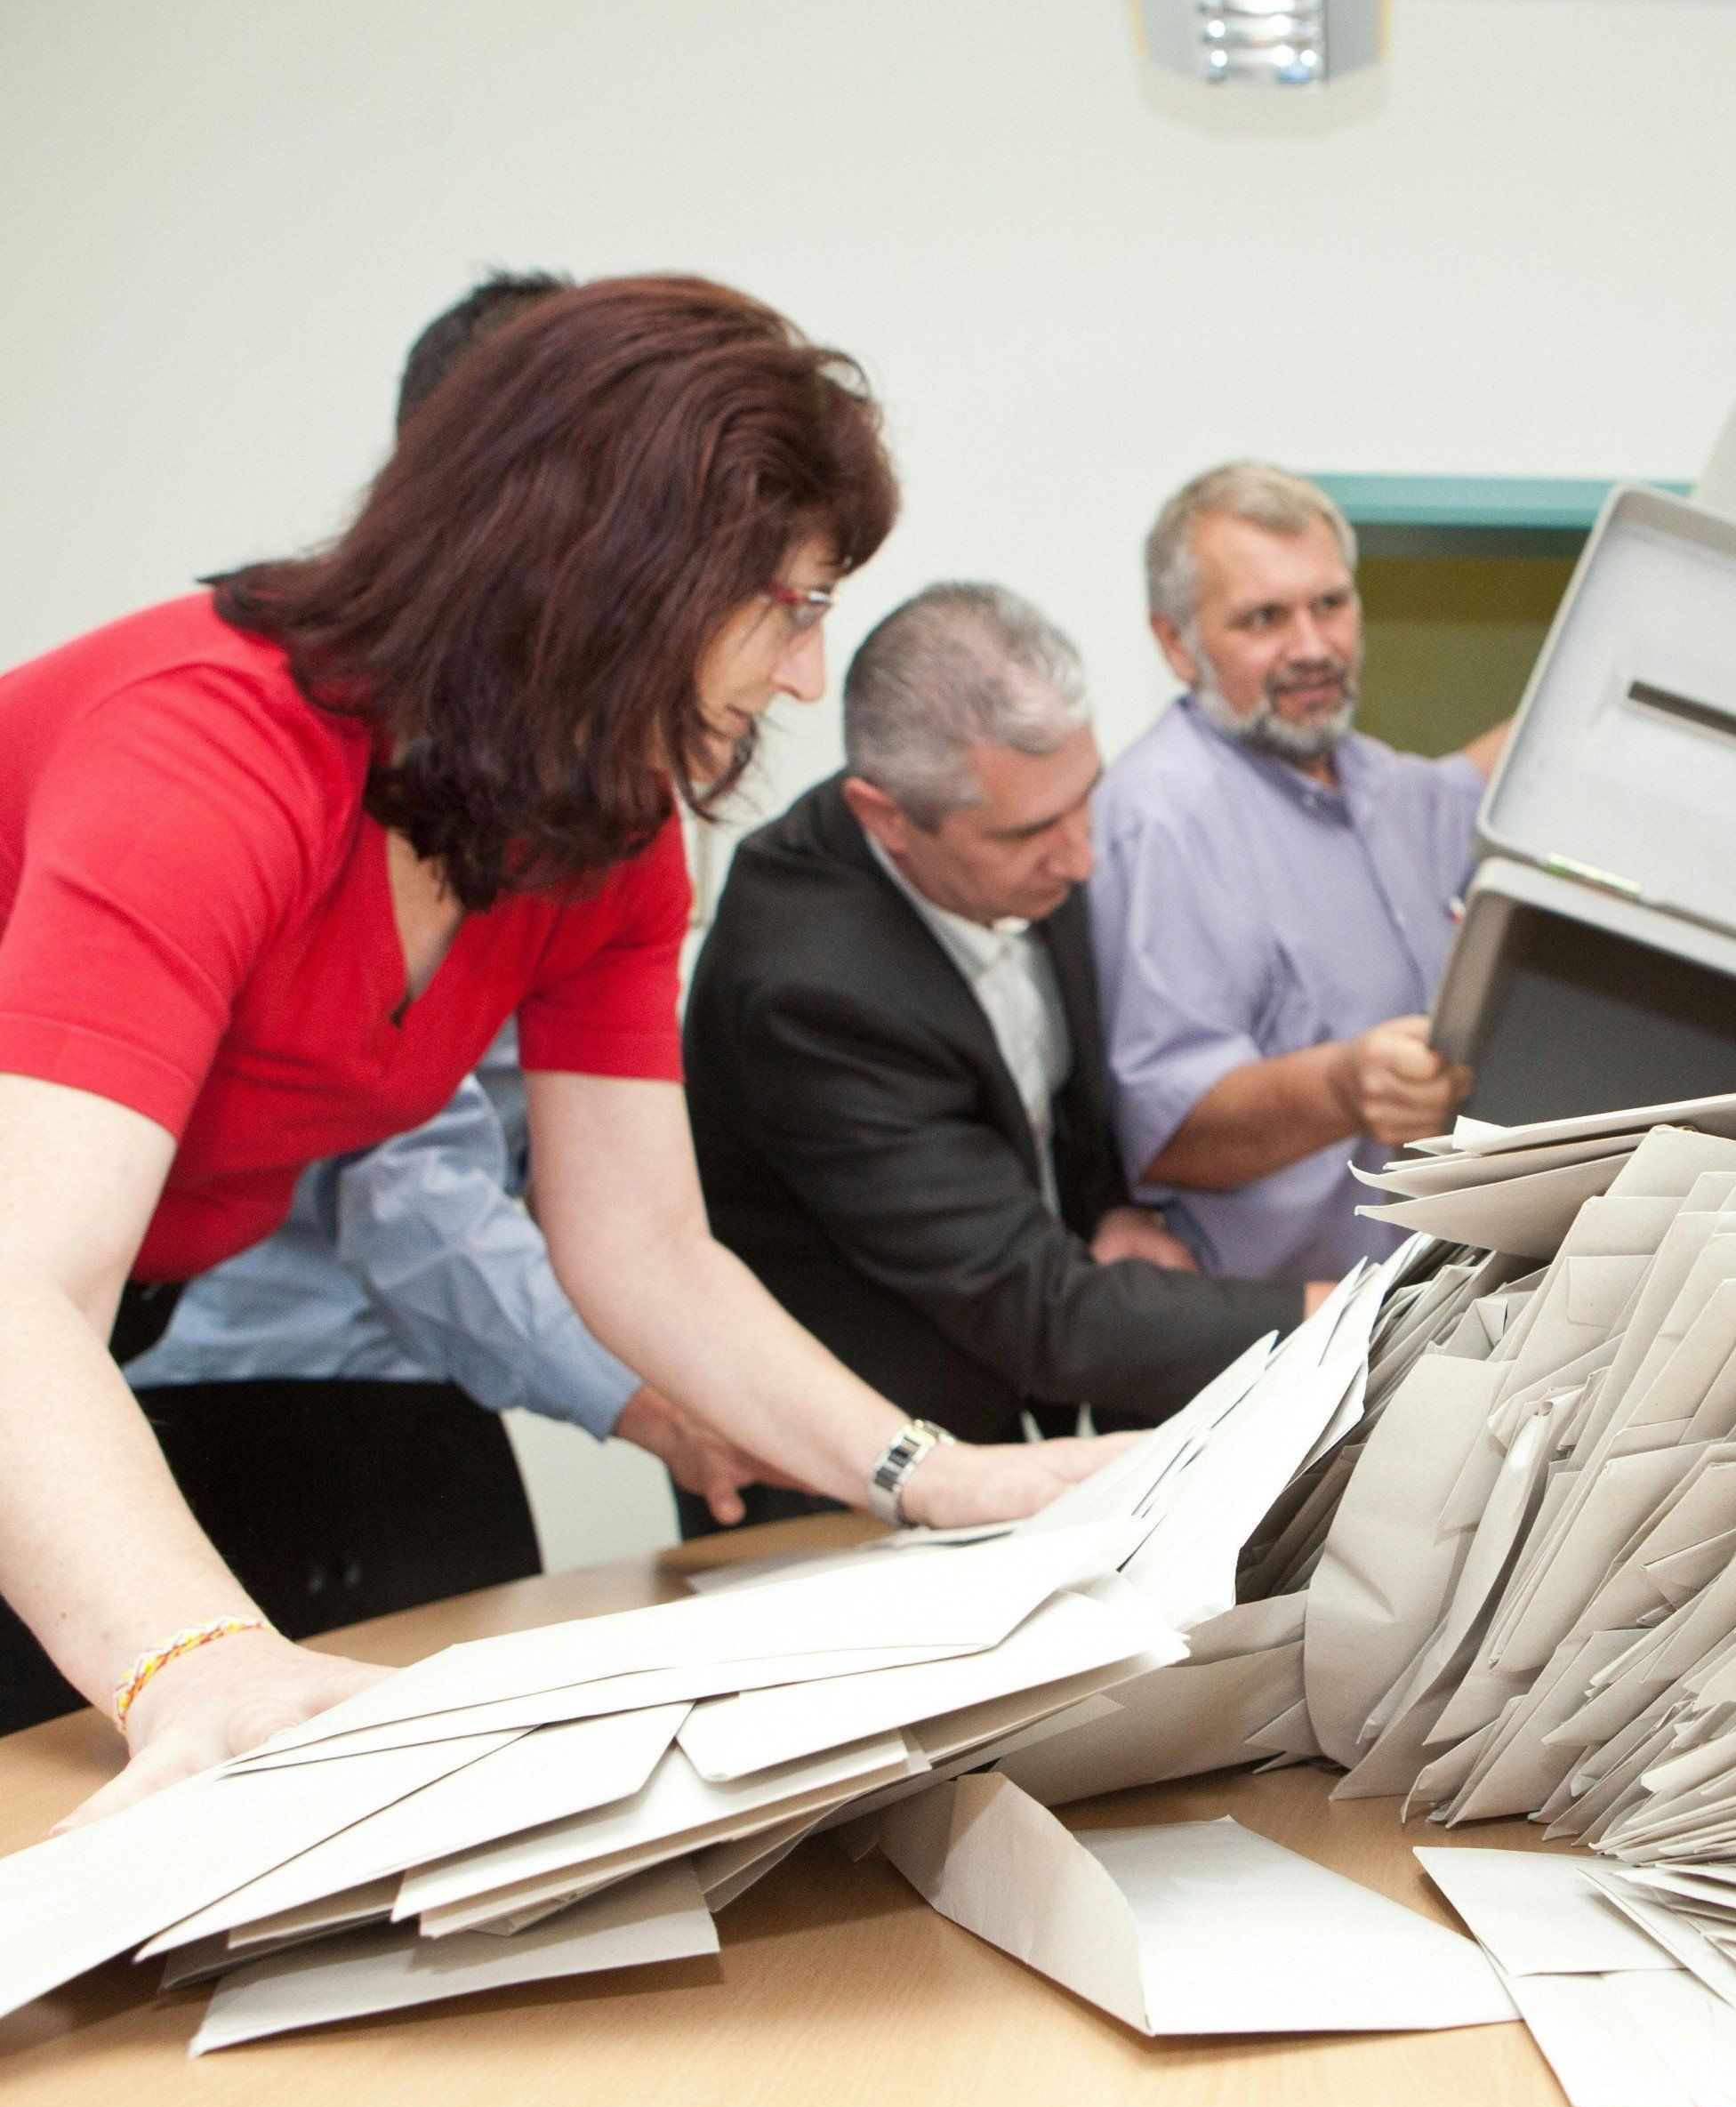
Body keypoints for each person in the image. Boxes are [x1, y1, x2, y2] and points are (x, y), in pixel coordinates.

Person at [0, 275, 1123, 1813]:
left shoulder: (603, 834)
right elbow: (17, 1283)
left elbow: (646, 1248)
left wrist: (935, 1474)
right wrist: (194, 1653)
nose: (807, 676)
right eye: (793, 606)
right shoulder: (206, 752)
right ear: (617, 574)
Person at [103, 277, 770, 1730]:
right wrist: (640, 1392)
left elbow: (638, 1229)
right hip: (214, 1411)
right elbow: (410, 1195)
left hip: (411, 1397)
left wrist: (881, 1449)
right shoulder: (252, 752)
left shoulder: (584, 800)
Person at [683, 582, 1320, 1532]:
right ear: (885, 815)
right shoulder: (806, 988)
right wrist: (1329, 1314)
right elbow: (1033, 1307)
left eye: (1084, 803)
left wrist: (1108, 1200)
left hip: (1017, 1408)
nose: (1081, 860)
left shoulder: (1019, 827)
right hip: (848, 1463)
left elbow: (1050, 1086)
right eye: (1029, 834)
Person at [1086, 462, 1508, 1285]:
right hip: (1277, 1351)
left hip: (1419, 1307)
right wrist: (1343, 1087)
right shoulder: (1159, 819)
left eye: (1330, 604)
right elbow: (1169, 1133)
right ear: (1177, 643)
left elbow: (1492, 782)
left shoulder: (1374, 778)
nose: (1312, 648)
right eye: (1263, 619)